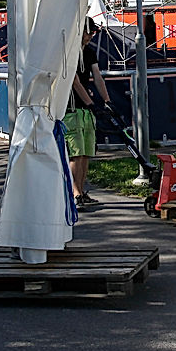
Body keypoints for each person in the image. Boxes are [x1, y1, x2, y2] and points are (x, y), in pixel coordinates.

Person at [64, 19, 105, 212]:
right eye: (87, 32)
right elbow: (74, 82)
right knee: (76, 153)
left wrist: (106, 101)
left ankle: (80, 190)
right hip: (71, 108)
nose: (89, 36)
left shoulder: (88, 52)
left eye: (92, 33)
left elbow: (97, 77)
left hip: (86, 110)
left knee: (86, 152)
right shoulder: (69, 53)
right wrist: (89, 102)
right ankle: (75, 193)